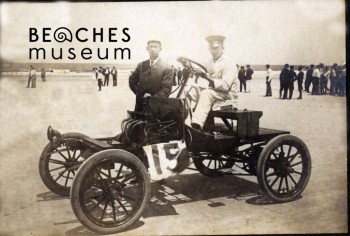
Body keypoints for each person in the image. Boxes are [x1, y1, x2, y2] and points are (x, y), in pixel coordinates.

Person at [187, 35, 238, 131]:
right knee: (190, 90)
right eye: (211, 48)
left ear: (222, 48)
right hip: (215, 93)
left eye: (216, 48)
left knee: (206, 93)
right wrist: (188, 65)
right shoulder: (210, 62)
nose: (213, 51)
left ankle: (196, 126)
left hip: (227, 96)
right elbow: (200, 69)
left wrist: (206, 77)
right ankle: (182, 121)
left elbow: (225, 86)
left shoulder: (229, 63)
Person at [129, 40, 173, 112]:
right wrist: (139, 93)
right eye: (151, 47)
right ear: (147, 49)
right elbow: (132, 80)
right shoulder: (141, 65)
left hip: (156, 108)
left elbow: (166, 90)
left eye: (155, 47)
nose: (153, 49)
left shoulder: (167, 68)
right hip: (140, 107)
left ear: (160, 49)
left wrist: (152, 98)